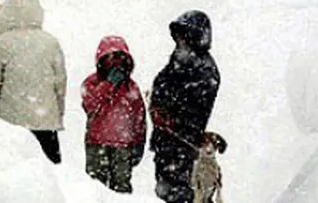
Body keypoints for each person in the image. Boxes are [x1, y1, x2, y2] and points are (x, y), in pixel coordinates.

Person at [0, 0, 68, 164]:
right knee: (51, 175)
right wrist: (58, 113)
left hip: (10, 124)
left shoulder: (1, 44)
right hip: (45, 124)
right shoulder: (51, 43)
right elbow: (60, 84)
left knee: (13, 172)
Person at [149, 10, 221, 203]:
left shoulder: (204, 69)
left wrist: (169, 117)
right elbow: (163, 84)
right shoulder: (181, 59)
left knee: (184, 195)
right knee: (169, 192)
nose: (179, 39)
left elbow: (196, 109)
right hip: (169, 144)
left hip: (182, 147)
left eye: (183, 34)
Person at [81, 35, 148, 193]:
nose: (115, 62)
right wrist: (109, 85)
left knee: (122, 190)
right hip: (97, 144)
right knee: (96, 189)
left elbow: (139, 118)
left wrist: (139, 143)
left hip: (123, 146)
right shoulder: (92, 83)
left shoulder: (131, 87)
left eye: (120, 57)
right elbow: (90, 105)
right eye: (110, 57)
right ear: (101, 60)